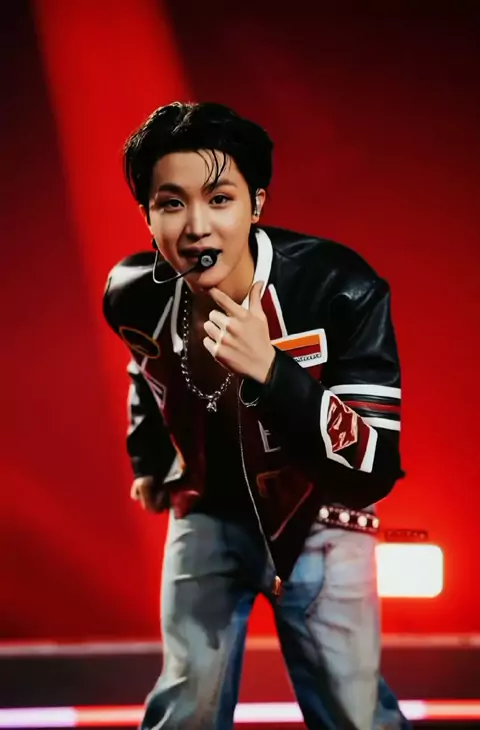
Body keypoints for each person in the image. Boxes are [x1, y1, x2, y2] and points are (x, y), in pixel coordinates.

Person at [103, 101, 410, 730]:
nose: (196, 226)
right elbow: (146, 368)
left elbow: (374, 464)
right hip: (208, 510)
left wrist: (272, 372)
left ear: (256, 204)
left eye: (219, 199)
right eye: (171, 203)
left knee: (352, 714)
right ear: (147, 216)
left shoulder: (338, 287)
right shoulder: (132, 294)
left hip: (320, 516)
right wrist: (149, 458)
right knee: (185, 708)